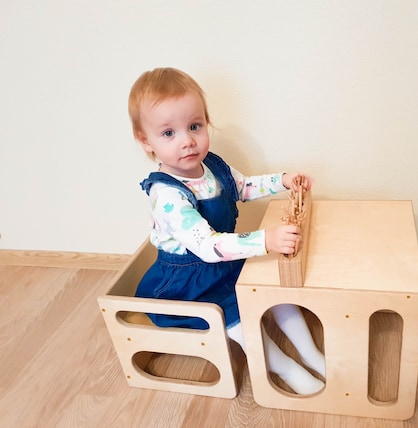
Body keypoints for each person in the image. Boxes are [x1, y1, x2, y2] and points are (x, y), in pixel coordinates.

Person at [128, 67, 325, 395]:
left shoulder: (212, 166)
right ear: (145, 141)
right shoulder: (167, 194)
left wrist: (282, 180)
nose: (188, 141)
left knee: (274, 292)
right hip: (189, 282)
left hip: (223, 264)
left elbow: (243, 186)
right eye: (168, 133)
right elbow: (207, 246)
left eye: (195, 126)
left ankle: (312, 355)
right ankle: (285, 367)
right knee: (238, 321)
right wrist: (267, 240)